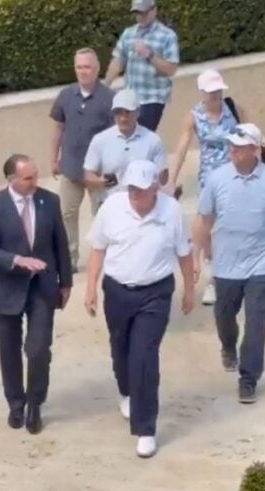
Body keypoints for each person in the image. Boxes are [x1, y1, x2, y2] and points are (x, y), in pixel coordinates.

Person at [84, 159, 195, 458]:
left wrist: (189, 289)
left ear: (155, 188)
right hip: (117, 290)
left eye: (141, 189)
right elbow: (98, 248)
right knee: (120, 349)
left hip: (155, 294)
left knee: (144, 356)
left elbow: (184, 254)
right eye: (131, 188)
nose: (135, 194)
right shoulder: (112, 207)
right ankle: (126, 391)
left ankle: (146, 428)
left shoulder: (171, 211)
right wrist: (90, 287)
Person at [192, 123, 265, 404]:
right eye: (231, 145)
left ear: (255, 149)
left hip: (260, 263)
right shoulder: (217, 179)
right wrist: (196, 256)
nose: (233, 150)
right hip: (226, 263)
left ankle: (248, 378)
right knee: (224, 316)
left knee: (256, 321)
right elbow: (203, 219)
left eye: (239, 146)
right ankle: (228, 345)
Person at [0, 154, 73, 435]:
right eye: (28, 178)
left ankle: (35, 403)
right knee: (9, 350)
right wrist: (16, 260)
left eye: (35, 175)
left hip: (42, 287)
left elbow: (60, 244)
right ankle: (16, 403)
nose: (34, 182)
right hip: (7, 288)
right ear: (11, 180)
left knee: (38, 348)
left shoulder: (49, 201)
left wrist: (65, 283)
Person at [167, 69, 247, 306]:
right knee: (206, 226)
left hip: (236, 176)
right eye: (211, 91)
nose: (215, 95)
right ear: (202, 92)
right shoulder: (194, 116)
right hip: (209, 179)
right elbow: (181, 148)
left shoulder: (234, 109)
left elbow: (252, 140)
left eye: (218, 90)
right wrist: (171, 179)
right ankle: (211, 276)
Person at [50, 47, 115, 272]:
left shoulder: (109, 98)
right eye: (78, 67)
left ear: (96, 69)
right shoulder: (65, 95)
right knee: (66, 214)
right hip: (71, 167)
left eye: (87, 67)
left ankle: (106, 256)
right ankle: (70, 258)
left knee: (103, 214)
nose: (82, 71)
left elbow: (116, 136)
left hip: (98, 171)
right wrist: (53, 159)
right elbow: (58, 128)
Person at [104, 0, 180, 132]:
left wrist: (149, 54)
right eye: (137, 13)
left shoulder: (167, 36)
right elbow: (118, 61)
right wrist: (104, 86)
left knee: (141, 136)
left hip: (152, 97)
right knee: (123, 135)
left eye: (144, 12)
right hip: (129, 96)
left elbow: (171, 69)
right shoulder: (128, 34)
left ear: (154, 10)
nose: (140, 16)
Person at [83, 88, 168, 204]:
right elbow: (88, 175)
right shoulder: (100, 140)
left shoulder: (153, 140)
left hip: (142, 203)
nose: (123, 118)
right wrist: (101, 182)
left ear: (137, 112)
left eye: (127, 112)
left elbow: (162, 177)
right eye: (118, 112)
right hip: (111, 203)